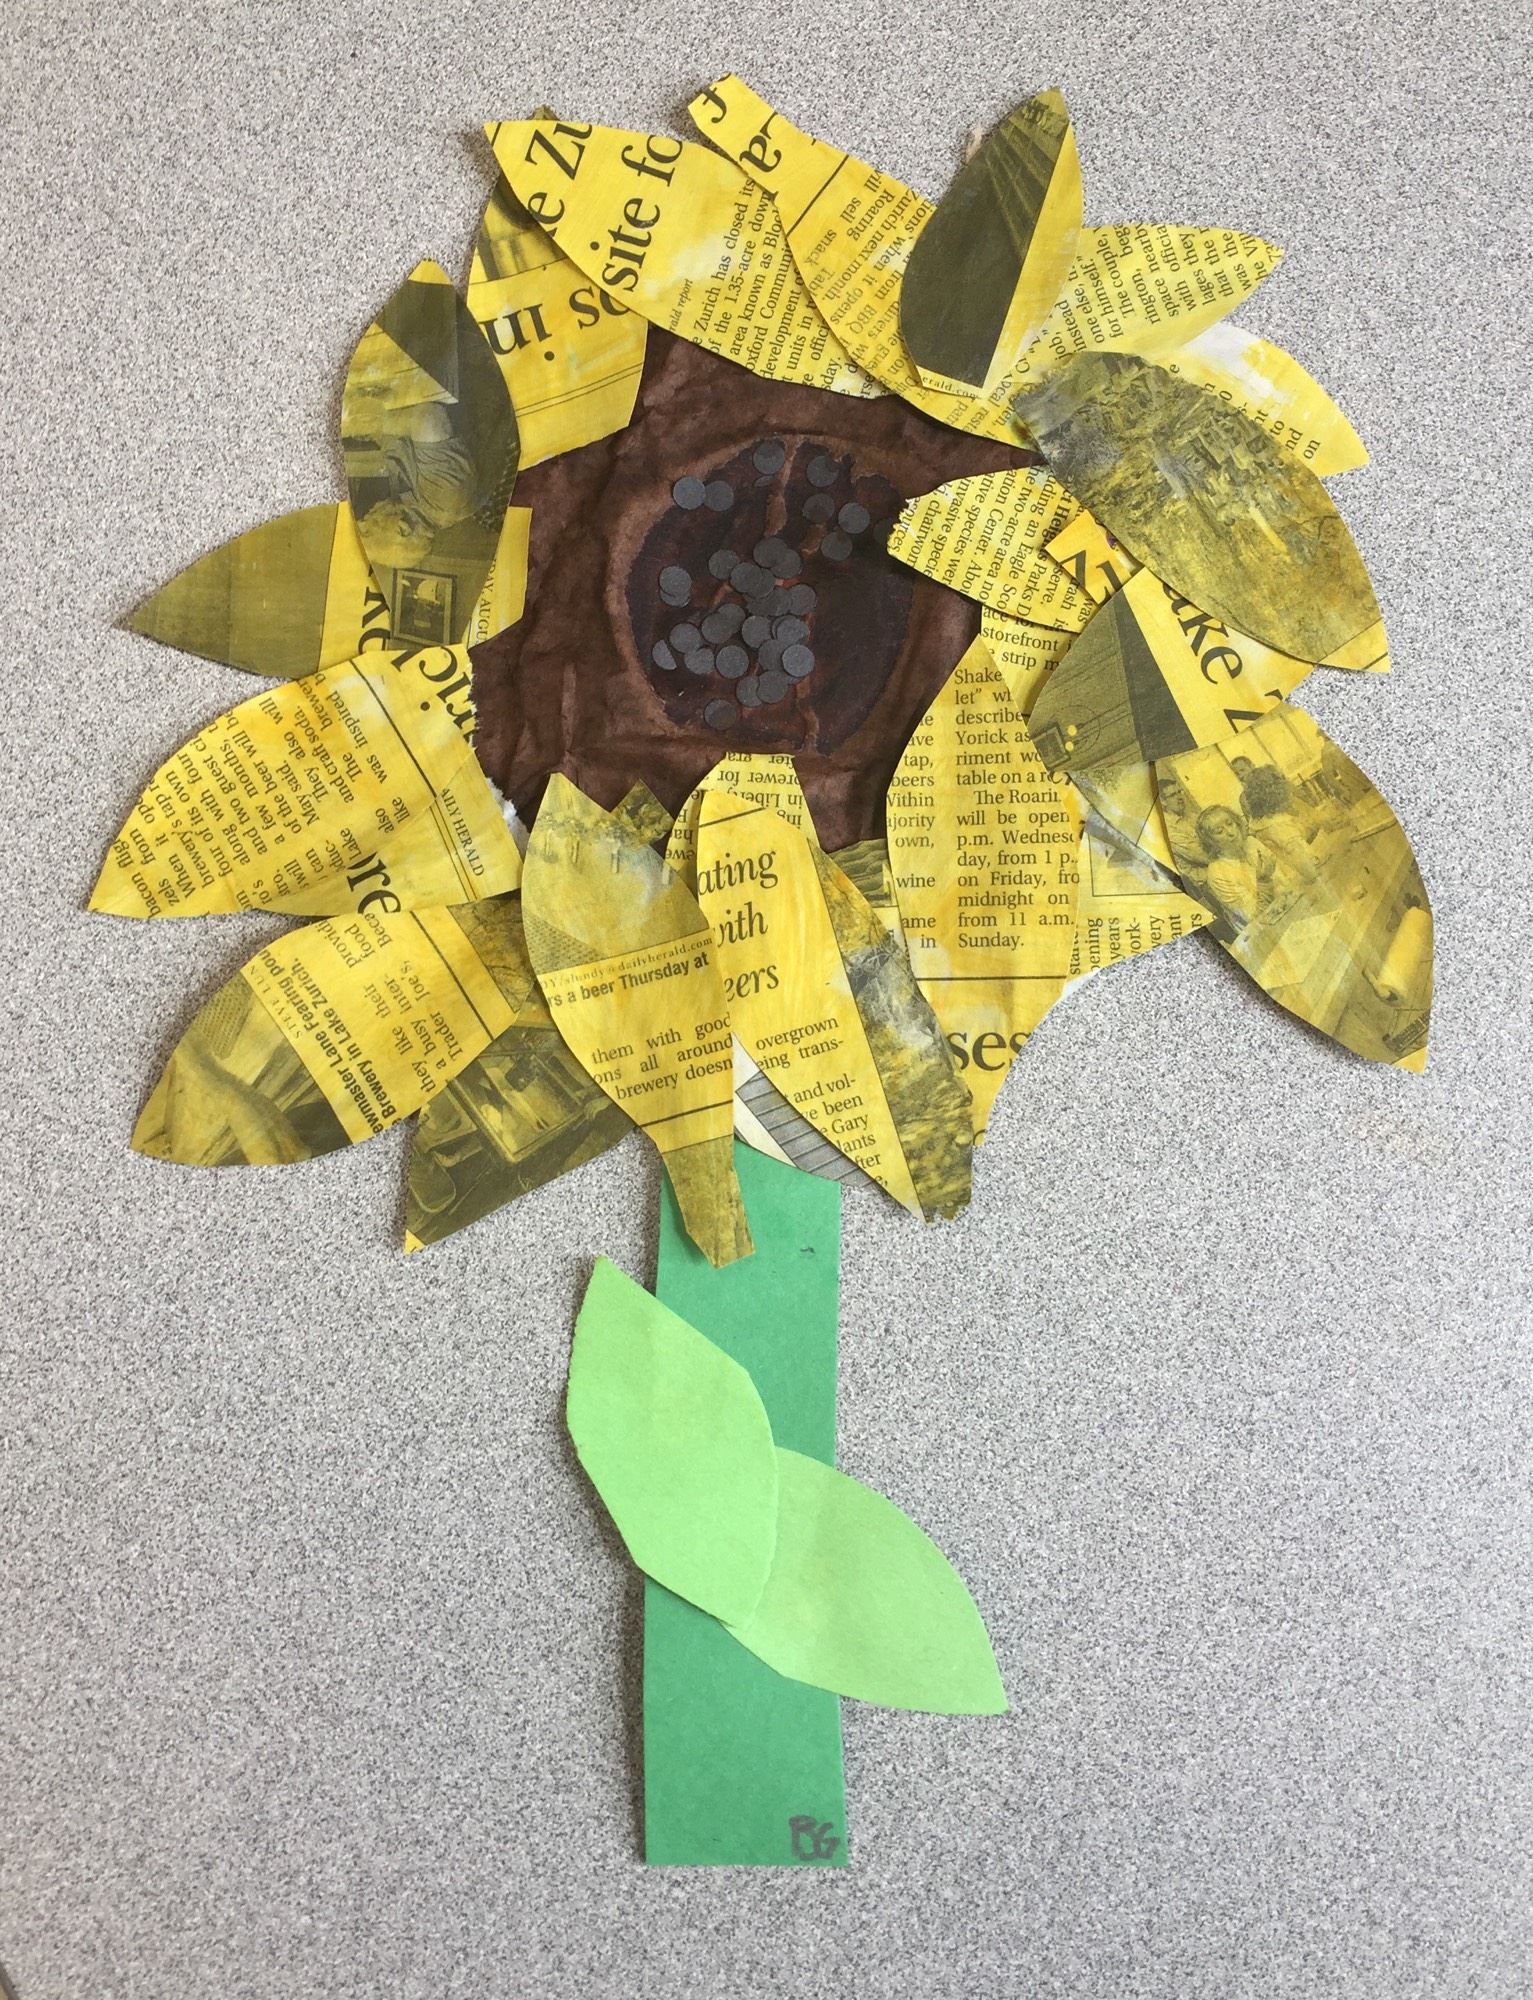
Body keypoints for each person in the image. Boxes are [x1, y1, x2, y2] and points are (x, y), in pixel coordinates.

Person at [350, 397, 480, 569]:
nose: (364, 518)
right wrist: (377, 424)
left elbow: (391, 441)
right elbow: (428, 416)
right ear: (403, 528)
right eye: (370, 526)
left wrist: (369, 429)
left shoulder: (404, 504)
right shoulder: (445, 500)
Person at [1196, 804, 1275, 931]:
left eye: (1230, 823)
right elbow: (1255, 917)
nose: (1231, 833)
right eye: (1219, 831)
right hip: (1263, 931)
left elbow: (1286, 883)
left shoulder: (1252, 843)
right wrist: (1262, 880)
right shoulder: (1217, 874)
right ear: (1210, 842)